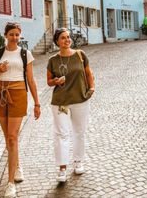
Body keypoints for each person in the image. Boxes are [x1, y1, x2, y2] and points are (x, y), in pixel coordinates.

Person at [0, 22, 41, 198]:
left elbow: (31, 81)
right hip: (0, 93)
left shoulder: (26, 54)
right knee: (8, 138)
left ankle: (10, 183)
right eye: (11, 34)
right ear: (5, 35)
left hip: (18, 94)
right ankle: (17, 165)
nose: (14, 37)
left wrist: (37, 103)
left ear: (20, 35)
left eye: (17, 34)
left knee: (12, 137)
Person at [46, 28, 95, 183]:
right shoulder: (53, 60)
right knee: (61, 134)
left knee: (79, 132)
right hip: (61, 102)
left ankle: (78, 161)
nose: (67, 40)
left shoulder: (81, 55)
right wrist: (56, 81)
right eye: (63, 38)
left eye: (68, 37)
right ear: (57, 42)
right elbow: (49, 81)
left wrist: (92, 88)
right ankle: (62, 168)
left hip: (80, 99)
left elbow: (88, 73)